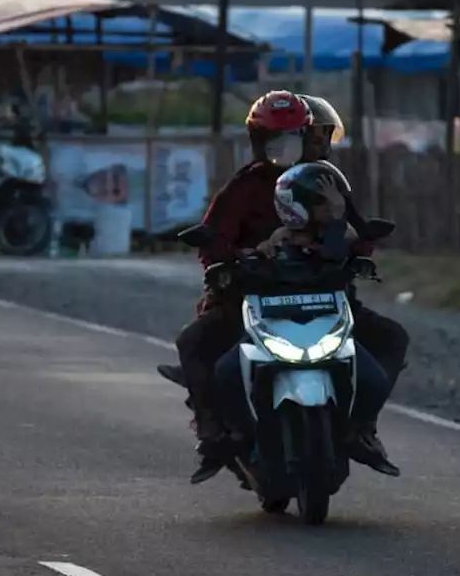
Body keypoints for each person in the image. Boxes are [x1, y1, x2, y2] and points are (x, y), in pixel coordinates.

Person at [171, 91, 408, 483]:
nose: (284, 148)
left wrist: (352, 247)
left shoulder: (327, 183)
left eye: (293, 138)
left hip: (324, 297)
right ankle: (213, 432)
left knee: (392, 337)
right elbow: (212, 240)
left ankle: (362, 429)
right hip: (253, 298)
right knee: (192, 343)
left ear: (308, 136)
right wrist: (230, 262)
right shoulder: (243, 187)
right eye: (274, 140)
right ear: (258, 142)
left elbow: (359, 234)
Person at [211, 161, 397, 474]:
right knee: (226, 371)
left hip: (327, 324)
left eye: (335, 201)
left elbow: (339, 252)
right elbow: (252, 261)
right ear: (295, 206)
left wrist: (337, 219)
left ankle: (358, 432)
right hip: (275, 324)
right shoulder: (279, 238)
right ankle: (240, 434)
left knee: (374, 380)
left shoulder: (342, 233)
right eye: (325, 202)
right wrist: (247, 260)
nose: (335, 207)